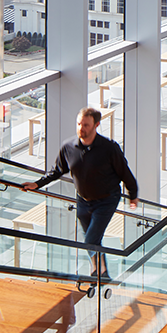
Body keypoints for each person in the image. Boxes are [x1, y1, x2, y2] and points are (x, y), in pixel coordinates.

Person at [25, 107, 139, 285]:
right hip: (83, 201)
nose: (81, 128)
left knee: (90, 239)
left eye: (86, 125)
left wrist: (133, 194)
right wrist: (37, 184)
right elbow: (56, 171)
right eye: (79, 124)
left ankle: (96, 272)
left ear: (96, 125)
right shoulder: (68, 147)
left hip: (107, 199)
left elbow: (124, 172)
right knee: (94, 239)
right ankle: (102, 273)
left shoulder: (109, 148)